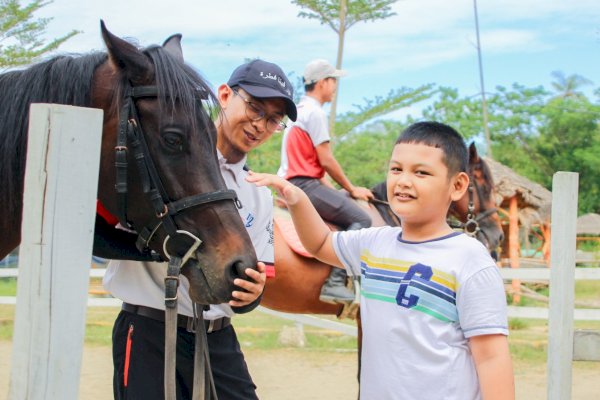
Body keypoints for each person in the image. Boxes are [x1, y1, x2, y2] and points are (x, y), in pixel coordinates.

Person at [249, 121, 514, 400]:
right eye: (396, 169)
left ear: (458, 185)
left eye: (421, 172)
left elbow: (491, 358)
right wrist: (296, 198)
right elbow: (320, 243)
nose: (403, 180)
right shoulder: (374, 241)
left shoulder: (471, 260)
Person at [103, 59, 297, 400]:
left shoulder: (260, 196)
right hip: (149, 330)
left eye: (272, 120)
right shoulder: (159, 157)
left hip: (218, 337)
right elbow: (106, 232)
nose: (259, 124)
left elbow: (254, 279)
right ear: (224, 94)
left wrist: (252, 295)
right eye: (254, 107)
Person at [277, 59, 374, 303]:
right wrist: (352, 189)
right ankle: (334, 281)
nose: (335, 88)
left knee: (344, 203)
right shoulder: (315, 113)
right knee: (362, 218)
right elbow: (327, 160)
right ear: (322, 82)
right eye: (334, 82)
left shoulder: (298, 112)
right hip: (305, 186)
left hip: (299, 182)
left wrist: (337, 191)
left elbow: (313, 164)